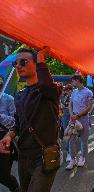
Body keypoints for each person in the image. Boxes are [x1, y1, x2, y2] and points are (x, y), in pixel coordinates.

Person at [0, 47, 62, 192]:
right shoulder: (20, 95)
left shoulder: (50, 90)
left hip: (44, 156)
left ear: (36, 65)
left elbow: (47, 85)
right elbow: (17, 123)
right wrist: (9, 136)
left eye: (23, 62)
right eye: (16, 64)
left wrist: (41, 58)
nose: (18, 66)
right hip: (24, 156)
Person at [66, 74, 93, 170]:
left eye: (73, 80)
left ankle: (82, 157)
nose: (72, 82)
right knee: (72, 139)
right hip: (73, 118)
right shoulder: (74, 92)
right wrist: (72, 115)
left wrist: (78, 115)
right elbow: (70, 104)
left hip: (83, 118)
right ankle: (73, 159)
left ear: (77, 80)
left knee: (83, 140)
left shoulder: (88, 92)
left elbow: (89, 107)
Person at [0, 74, 20, 192]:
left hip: (5, 138)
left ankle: (16, 188)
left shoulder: (8, 99)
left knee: (3, 173)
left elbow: (15, 122)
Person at [60, 84, 73, 162]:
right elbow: (61, 105)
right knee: (66, 132)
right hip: (65, 114)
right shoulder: (63, 96)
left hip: (73, 114)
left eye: (68, 90)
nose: (67, 92)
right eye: (66, 90)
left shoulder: (74, 95)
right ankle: (68, 152)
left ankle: (72, 153)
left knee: (73, 133)